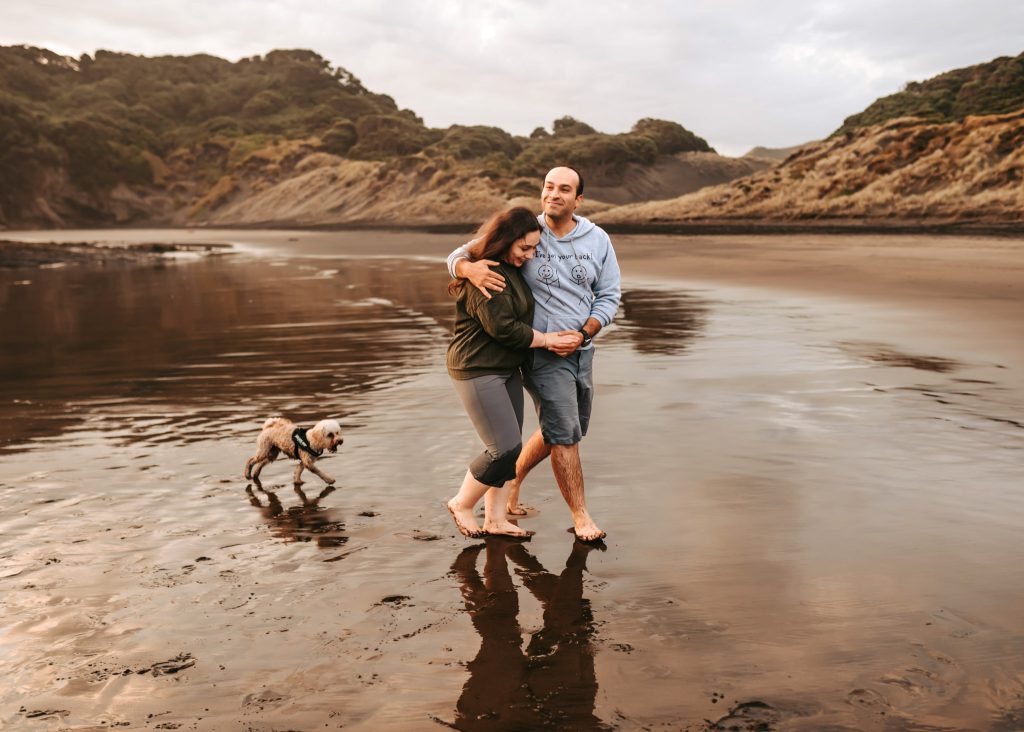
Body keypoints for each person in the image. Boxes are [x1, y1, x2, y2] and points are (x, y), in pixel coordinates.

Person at [447, 167, 621, 542]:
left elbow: (609, 295)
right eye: (548, 187)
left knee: (563, 430)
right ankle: (581, 517)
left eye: (564, 189)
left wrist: (584, 332)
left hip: (581, 349)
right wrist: (467, 268)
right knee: (563, 437)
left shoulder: (595, 239)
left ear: (579, 199)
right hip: (538, 353)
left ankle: (509, 489)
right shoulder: (522, 229)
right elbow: (461, 255)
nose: (554, 194)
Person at [446, 206, 580, 539]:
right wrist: (548, 340)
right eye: (525, 248)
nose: (530, 255)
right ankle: (461, 503)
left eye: (534, 248)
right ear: (506, 241)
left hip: (505, 368)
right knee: (502, 448)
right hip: (477, 368)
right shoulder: (486, 273)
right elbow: (504, 329)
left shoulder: (510, 268)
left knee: (512, 447)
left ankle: (495, 519)